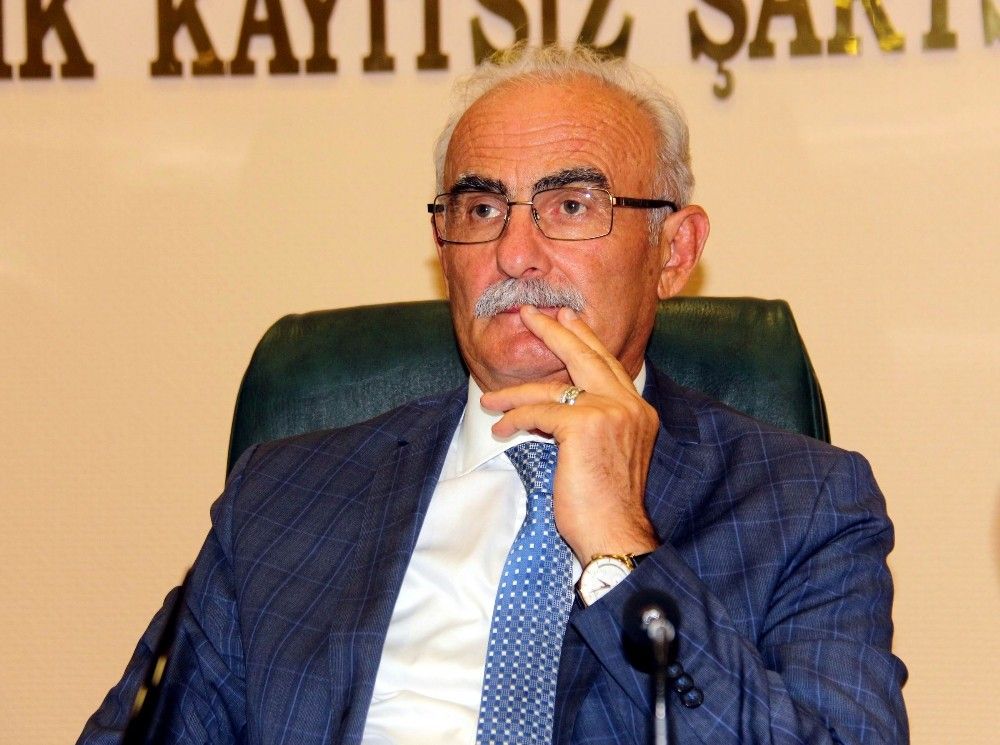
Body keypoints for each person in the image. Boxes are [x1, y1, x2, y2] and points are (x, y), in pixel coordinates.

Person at [79, 45, 908, 744]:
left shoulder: (803, 505)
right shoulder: (282, 497)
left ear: (674, 250)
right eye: (481, 208)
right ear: (444, 247)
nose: (514, 253)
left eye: (570, 205)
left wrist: (622, 551)